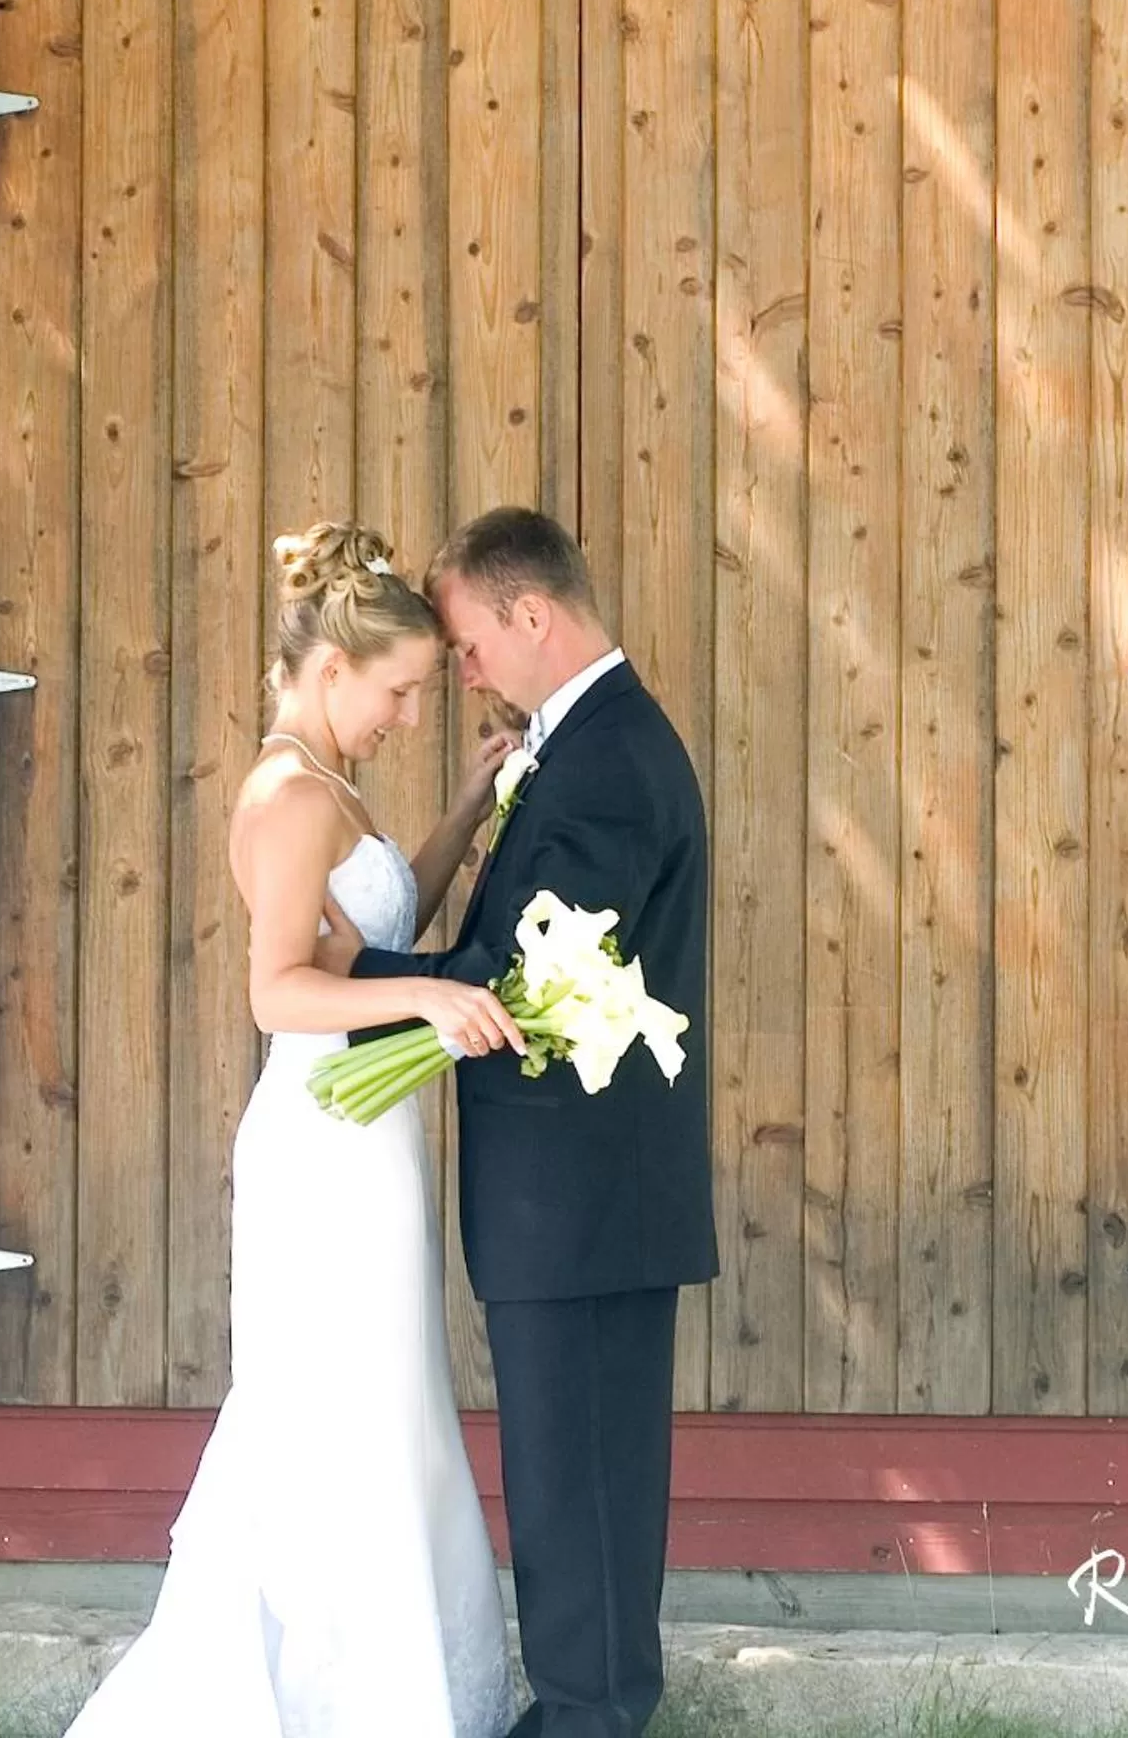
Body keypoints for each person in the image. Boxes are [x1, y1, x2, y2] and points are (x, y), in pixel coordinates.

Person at [64, 519, 520, 1738]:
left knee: (390, 1402)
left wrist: (470, 802)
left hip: (369, 1144)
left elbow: (367, 930)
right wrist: (427, 992)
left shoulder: (332, 786)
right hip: (318, 1148)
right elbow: (280, 989)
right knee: (329, 1411)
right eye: (399, 691)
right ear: (332, 672)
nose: (409, 715)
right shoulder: (281, 796)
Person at [335, 505, 718, 1738]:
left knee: (581, 1483)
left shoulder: (605, 762)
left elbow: (520, 973)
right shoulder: (578, 747)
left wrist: (338, 999)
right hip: (572, 1200)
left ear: (530, 614)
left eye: (465, 641)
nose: (463, 669)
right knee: (567, 1477)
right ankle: (583, 1706)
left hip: (587, 1199)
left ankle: (589, 1716)